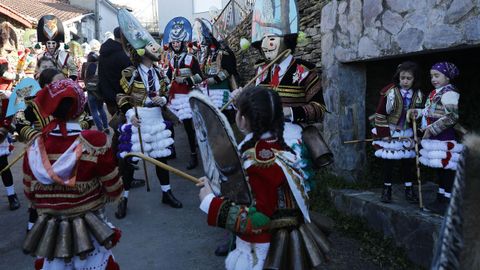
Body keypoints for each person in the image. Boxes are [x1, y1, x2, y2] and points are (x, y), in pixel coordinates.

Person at [198, 86, 312, 270]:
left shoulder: (260, 161)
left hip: (261, 252)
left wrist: (210, 203)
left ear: (242, 119)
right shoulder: (278, 145)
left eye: (238, 111)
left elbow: (260, 218)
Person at [22, 79, 123, 269]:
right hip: (91, 227)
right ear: (79, 108)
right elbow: (114, 188)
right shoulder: (94, 142)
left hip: (50, 227)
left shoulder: (36, 146)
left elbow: (29, 193)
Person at [115, 9, 182, 219]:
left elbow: (163, 92)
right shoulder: (129, 73)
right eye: (152, 45)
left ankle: (166, 193)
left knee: (162, 159)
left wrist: (162, 99)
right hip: (137, 120)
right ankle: (123, 199)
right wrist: (128, 115)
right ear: (143, 51)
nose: (157, 48)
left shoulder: (159, 72)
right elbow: (121, 97)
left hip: (156, 119)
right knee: (129, 161)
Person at [411, 62, 462, 215]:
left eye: (437, 75)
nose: (433, 79)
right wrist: (418, 113)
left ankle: (448, 200)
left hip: (444, 137)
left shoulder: (449, 93)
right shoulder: (436, 92)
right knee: (440, 168)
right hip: (435, 137)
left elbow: (452, 117)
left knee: (446, 168)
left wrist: (431, 130)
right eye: (431, 76)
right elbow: (430, 111)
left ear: (447, 77)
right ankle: (441, 197)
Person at [372, 61, 424, 203]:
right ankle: (386, 190)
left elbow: (421, 117)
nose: (405, 81)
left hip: (408, 132)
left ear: (415, 79)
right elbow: (380, 114)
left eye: (409, 78)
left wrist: (418, 135)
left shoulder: (418, 94)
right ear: (398, 77)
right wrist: (384, 134)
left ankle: (409, 190)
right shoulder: (390, 92)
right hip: (392, 131)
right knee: (389, 163)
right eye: (402, 78)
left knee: (408, 162)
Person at [164, 17, 204, 170]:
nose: (175, 45)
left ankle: (194, 154)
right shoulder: (172, 60)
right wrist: (164, 82)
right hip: (174, 96)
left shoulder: (190, 58)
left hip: (187, 95)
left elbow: (200, 76)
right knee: (170, 121)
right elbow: (168, 75)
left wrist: (186, 81)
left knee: (188, 126)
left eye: (177, 42)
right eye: (173, 43)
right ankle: (172, 149)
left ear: (182, 43)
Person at [98, 27, 131, 116]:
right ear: (123, 37)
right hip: (122, 97)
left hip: (108, 97)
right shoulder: (123, 55)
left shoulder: (103, 54)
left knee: (117, 123)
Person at [36, 15, 78, 80]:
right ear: (45, 44)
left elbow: (73, 70)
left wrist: (70, 80)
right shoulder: (40, 56)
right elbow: (36, 71)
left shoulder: (65, 55)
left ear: (57, 44)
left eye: (53, 43)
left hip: (61, 83)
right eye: (49, 43)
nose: (51, 46)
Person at [81, 51, 109, 133]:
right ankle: (106, 126)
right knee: (101, 109)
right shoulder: (100, 65)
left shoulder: (85, 65)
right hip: (99, 90)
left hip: (90, 90)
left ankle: (100, 129)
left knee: (93, 111)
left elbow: (82, 76)